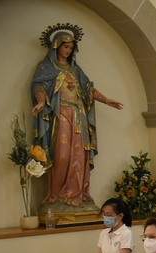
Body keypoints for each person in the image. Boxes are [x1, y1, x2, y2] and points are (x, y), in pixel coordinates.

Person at [31, 26, 123, 207]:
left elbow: (88, 88)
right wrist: (41, 102)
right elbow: (39, 86)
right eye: (66, 47)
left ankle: (77, 193)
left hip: (79, 115)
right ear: (57, 46)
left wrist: (106, 100)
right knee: (62, 154)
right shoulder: (47, 67)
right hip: (61, 114)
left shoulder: (76, 69)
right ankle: (58, 194)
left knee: (79, 156)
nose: (68, 51)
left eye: (71, 48)